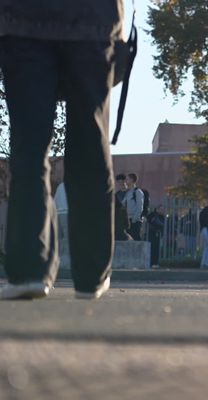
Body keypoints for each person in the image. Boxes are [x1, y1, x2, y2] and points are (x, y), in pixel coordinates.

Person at [0, 1, 124, 300]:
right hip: (92, 19)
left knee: (29, 145)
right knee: (90, 142)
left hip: (23, 21)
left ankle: (30, 269)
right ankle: (91, 274)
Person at [123, 173, 144, 241]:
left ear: (132, 180)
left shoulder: (138, 192)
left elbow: (140, 207)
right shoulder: (128, 192)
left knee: (136, 239)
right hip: (128, 220)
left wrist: (134, 219)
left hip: (135, 221)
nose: (125, 181)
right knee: (128, 240)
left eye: (127, 179)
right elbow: (122, 204)